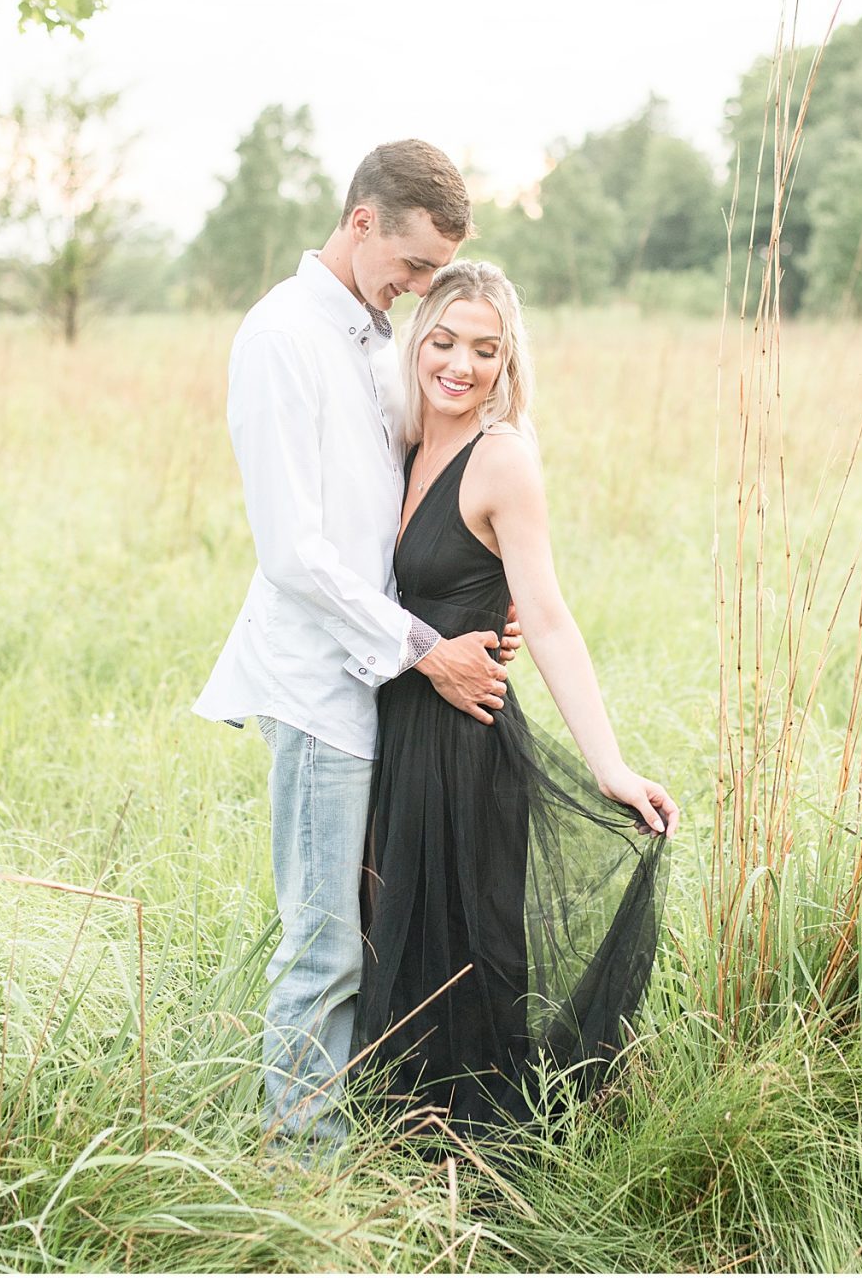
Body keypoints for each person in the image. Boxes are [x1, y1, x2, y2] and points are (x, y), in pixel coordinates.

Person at [192, 141, 520, 1155]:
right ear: (363, 220)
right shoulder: (281, 337)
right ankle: (299, 1180)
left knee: (362, 934)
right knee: (323, 947)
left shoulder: (374, 341)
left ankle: (351, 1139)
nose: (419, 290)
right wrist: (428, 647)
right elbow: (295, 553)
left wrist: (484, 596)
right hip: (318, 685)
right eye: (414, 266)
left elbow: (414, 495)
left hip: (376, 684)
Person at [353, 260, 679, 1137]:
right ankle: (390, 1158)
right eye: (446, 341)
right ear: (418, 339)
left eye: (485, 351)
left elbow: (549, 618)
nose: (460, 365)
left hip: (463, 747)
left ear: (508, 362)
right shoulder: (409, 441)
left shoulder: (500, 460)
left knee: (463, 960)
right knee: (386, 942)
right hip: (393, 732)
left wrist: (609, 765)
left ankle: (476, 1170)